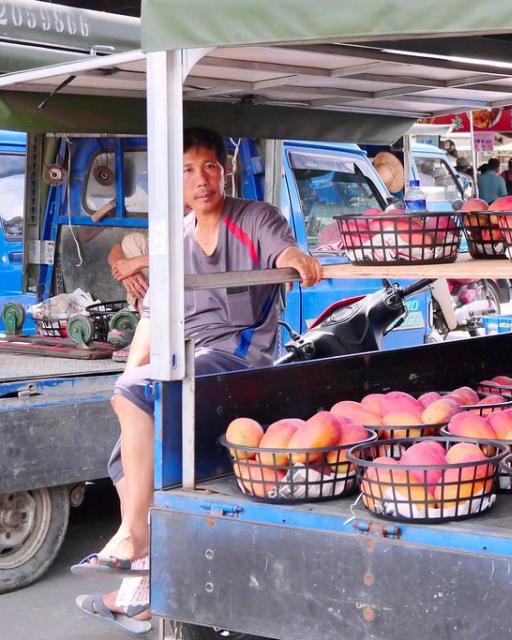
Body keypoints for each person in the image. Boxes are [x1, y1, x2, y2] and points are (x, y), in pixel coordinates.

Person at [71, 128, 322, 631]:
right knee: (127, 451)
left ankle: (132, 545)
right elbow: (150, 312)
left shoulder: (255, 218)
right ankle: (137, 582)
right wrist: (127, 380)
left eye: (209, 166)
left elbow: (286, 252)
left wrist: (296, 260)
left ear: (224, 171)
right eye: (187, 170)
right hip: (189, 359)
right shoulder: (176, 237)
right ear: (175, 180)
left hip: (241, 360)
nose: (200, 179)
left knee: (137, 392)